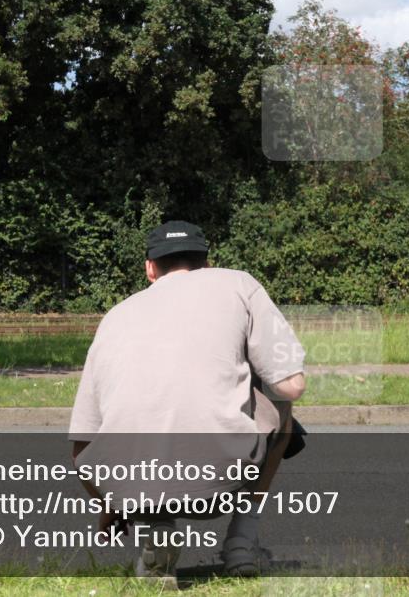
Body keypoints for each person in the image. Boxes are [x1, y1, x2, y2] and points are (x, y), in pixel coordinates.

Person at [68, 220, 306, 585]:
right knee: (280, 404)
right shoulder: (238, 283)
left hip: (133, 490)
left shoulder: (115, 315)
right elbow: (291, 387)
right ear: (207, 264)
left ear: (150, 269)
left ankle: (154, 529)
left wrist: (110, 504)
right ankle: (241, 544)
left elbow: (81, 444)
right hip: (221, 481)